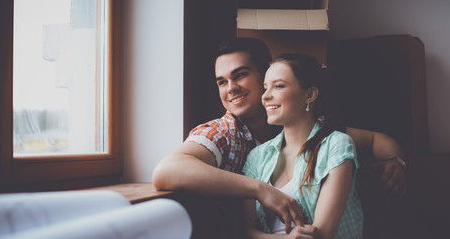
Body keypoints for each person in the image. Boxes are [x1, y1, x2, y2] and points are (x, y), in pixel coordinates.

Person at [152, 38, 407, 236]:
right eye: (222, 82)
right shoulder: (224, 132)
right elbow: (166, 171)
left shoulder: (305, 128)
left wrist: (395, 162)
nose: (231, 88)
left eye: (240, 74)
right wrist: (260, 189)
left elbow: (376, 140)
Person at [243, 53, 362, 239]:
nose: (266, 96)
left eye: (279, 86)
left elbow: (322, 234)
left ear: (310, 94)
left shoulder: (336, 145)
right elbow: (245, 232)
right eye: (265, 88)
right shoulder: (257, 157)